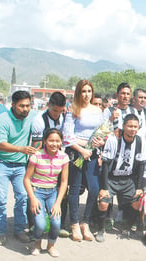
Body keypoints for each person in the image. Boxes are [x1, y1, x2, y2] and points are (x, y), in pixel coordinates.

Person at [0, 90, 37, 246]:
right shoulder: (3, 119)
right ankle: (0, 231)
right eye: (21, 106)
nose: (25, 109)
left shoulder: (32, 116)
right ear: (13, 105)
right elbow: (1, 145)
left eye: (28, 105)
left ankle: (19, 229)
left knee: (23, 197)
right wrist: (21, 149)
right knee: (0, 199)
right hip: (2, 163)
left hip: (21, 166)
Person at [63, 79, 104, 242]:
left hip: (92, 153)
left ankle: (85, 222)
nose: (86, 95)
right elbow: (67, 136)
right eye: (83, 91)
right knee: (74, 189)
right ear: (78, 93)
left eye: (89, 91)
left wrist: (100, 142)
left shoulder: (98, 110)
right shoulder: (73, 109)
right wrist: (82, 149)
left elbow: (101, 132)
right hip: (76, 153)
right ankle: (74, 223)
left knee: (94, 189)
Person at [96, 114, 146, 242]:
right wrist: (104, 187)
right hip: (112, 178)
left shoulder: (140, 142)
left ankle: (127, 226)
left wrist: (139, 187)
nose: (132, 129)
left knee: (137, 201)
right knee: (103, 202)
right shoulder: (114, 140)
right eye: (130, 126)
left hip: (128, 179)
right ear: (124, 126)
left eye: (135, 126)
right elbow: (106, 164)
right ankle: (101, 228)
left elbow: (141, 165)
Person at [23, 129, 69, 257]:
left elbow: (64, 182)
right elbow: (26, 179)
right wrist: (32, 198)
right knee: (40, 223)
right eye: (51, 141)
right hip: (37, 192)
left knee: (56, 222)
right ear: (45, 141)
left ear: (61, 142)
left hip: (53, 192)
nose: (54, 144)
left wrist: (58, 203)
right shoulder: (36, 156)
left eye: (57, 141)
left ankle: (51, 245)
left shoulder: (64, 157)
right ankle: (37, 243)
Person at [31, 91, 68, 237]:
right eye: (54, 111)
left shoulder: (64, 118)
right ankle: (33, 225)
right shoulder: (39, 120)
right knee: (37, 194)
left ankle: (59, 224)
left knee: (62, 191)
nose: (57, 114)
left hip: (59, 160)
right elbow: (36, 146)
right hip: (42, 162)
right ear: (48, 106)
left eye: (60, 111)